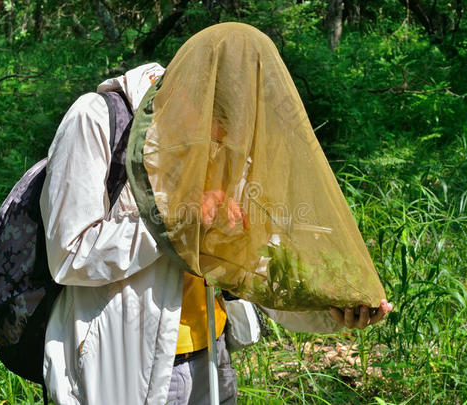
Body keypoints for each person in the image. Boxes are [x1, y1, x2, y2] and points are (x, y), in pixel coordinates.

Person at [40, 23, 391, 405]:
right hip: (123, 364)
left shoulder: (224, 145)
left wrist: (329, 308)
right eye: (220, 121)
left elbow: (255, 268)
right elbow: (68, 254)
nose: (225, 138)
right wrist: (183, 219)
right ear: (193, 90)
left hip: (212, 353)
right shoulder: (95, 119)